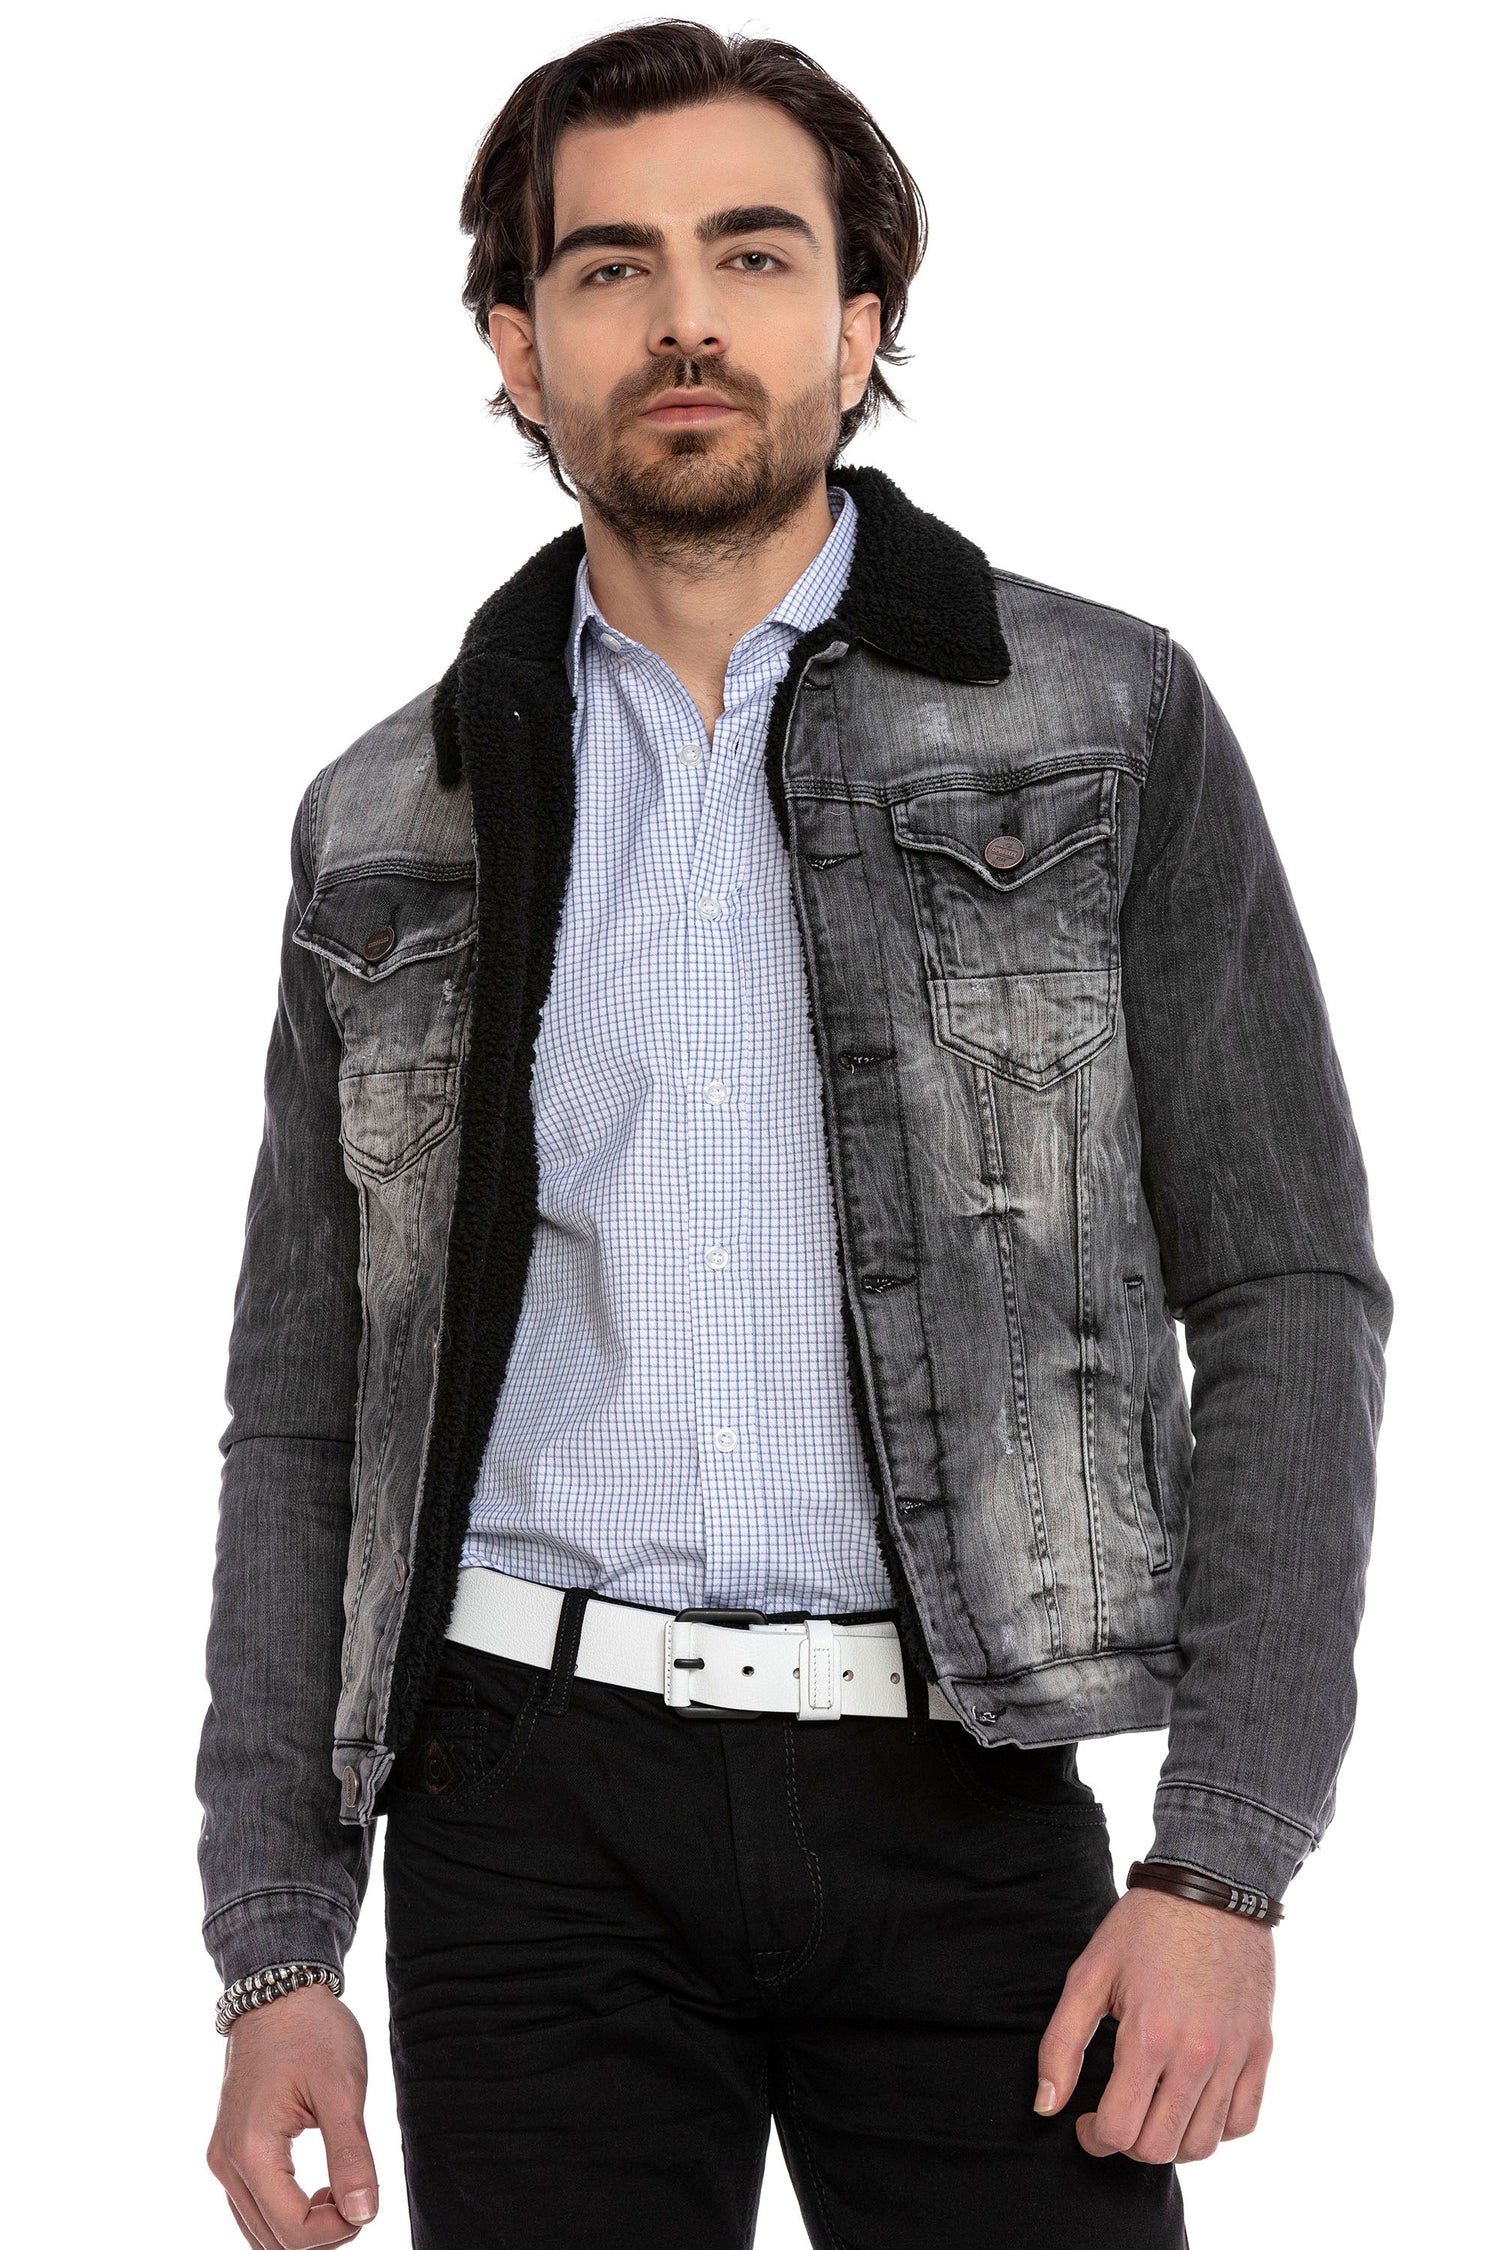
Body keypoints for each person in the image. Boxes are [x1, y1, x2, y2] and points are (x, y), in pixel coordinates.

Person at [197, 22, 1391, 2249]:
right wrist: (277, 1947)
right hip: (522, 1814)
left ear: (857, 324)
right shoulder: (387, 816)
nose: (685, 321)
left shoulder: (1102, 717)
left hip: (965, 1790)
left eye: (752, 255)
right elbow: (306, 1412)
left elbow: (1289, 1290)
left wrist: (1225, 1863)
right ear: (519, 346)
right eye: (610, 268)